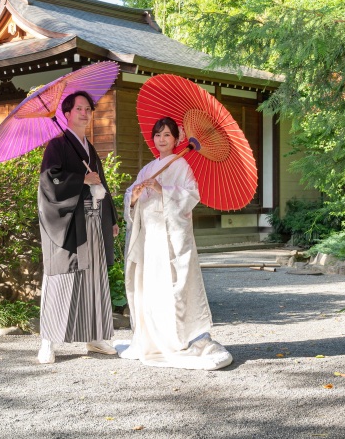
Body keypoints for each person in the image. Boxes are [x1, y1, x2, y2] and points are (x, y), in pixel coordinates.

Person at [118, 117, 232, 370]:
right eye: (158, 135)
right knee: (149, 286)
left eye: (167, 135)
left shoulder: (182, 166)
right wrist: (134, 196)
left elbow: (191, 196)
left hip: (169, 238)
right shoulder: (148, 168)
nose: (162, 139)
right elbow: (132, 199)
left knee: (171, 286)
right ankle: (151, 338)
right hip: (149, 235)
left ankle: (175, 338)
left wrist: (163, 190)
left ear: (177, 139)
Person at [36, 91, 120, 364]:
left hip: (94, 220)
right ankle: (47, 340)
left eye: (88, 109)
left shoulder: (89, 147)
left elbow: (101, 183)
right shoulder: (57, 146)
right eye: (79, 109)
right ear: (67, 114)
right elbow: (49, 182)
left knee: (94, 278)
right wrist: (80, 179)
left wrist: (112, 218)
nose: (85, 113)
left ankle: (94, 337)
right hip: (70, 222)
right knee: (62, 276)